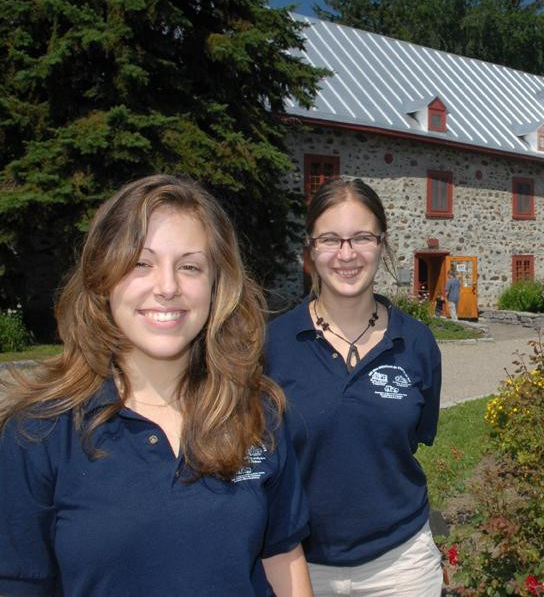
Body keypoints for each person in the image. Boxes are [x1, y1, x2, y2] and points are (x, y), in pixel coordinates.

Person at [0, 175, 313, 597]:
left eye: (189, 266)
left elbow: (282, 557)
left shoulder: (258, 412)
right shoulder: (37, 433)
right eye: (140, 263)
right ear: (102, 278)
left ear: (217, 285)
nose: (167, 287)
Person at [265, 177, 443, 596]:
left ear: (382, 245)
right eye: (330, 239)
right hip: (299, 566)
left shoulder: (416, 343)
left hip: (401, 564)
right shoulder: (272, 346)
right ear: (310, 251)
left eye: (362, 237)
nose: (346, 254)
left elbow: (412, 439)